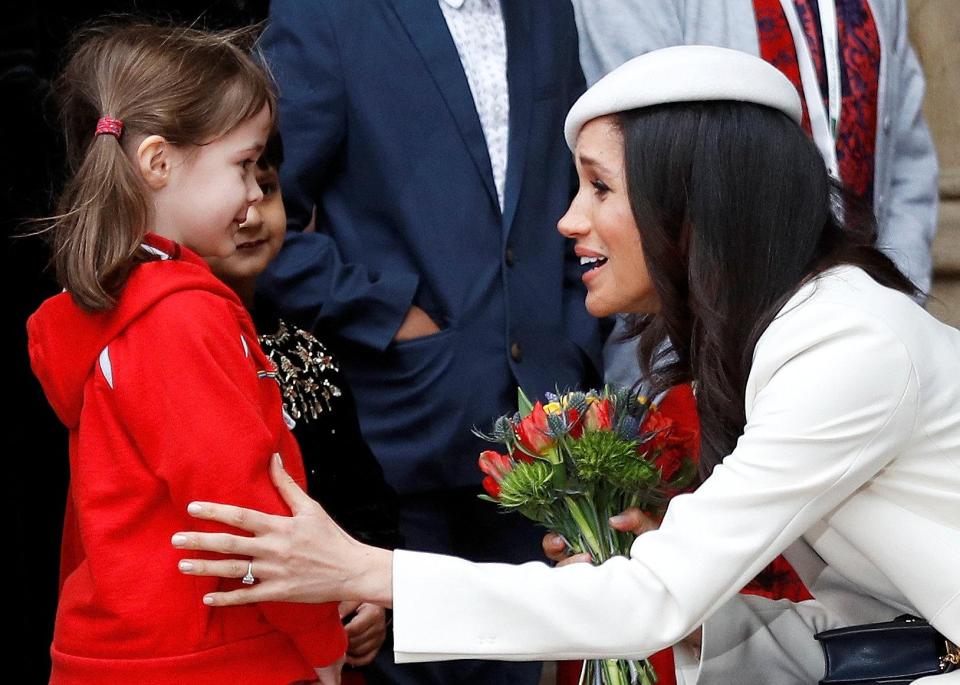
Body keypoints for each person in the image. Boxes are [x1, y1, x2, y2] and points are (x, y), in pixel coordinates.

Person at [172, 46, 960, 683]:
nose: (568, 219)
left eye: (598, 186)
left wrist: (364, 568)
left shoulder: (845, 346)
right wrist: (647, 572)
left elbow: (653, 602)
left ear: (689, 204)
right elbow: (866, 623)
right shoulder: (804, 327)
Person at [256, 2, 602, 682]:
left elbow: (572, 189)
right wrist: (386, 314)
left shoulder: (547, 12)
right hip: (404, 423)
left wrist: (574, 339)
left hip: (540, 426)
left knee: (520, 658)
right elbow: (258, 219)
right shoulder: (326, 16)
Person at [27, 22, 347, 684]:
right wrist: (320, 635)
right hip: (212, 659)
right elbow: (241, 506)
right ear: (157, 162)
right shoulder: (180, 317)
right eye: (243, 165)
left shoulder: (126, 306)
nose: (256, 193)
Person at [571, 0, 940, 391]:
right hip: (700, 353)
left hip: (855, 328)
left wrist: (889, 314)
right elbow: (631, 171)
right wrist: (680, 390)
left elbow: (908, 166)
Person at [204, 130, 401, 678]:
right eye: (235, 187)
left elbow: (366, 503)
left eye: (266, 188)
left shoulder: (305, 351)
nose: (251, 212)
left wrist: (369, 600)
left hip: (328, 645)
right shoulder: (180, 348)